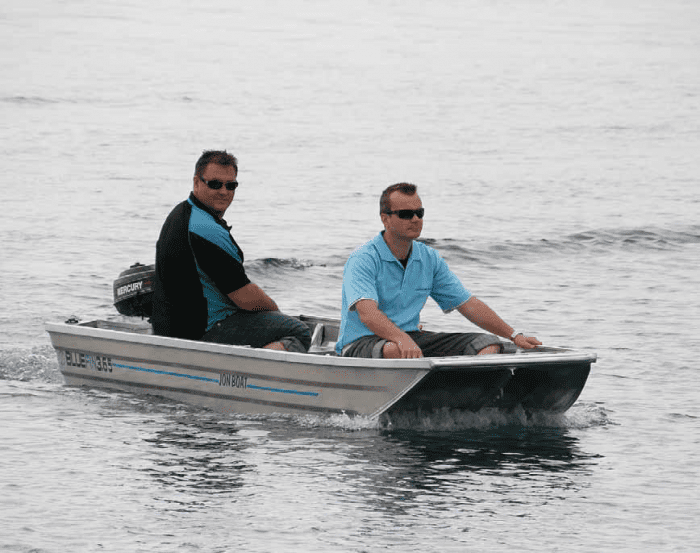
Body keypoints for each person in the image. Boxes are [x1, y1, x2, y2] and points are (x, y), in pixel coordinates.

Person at [336, 182, 541, 358]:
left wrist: (514, 336)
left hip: (410, 338)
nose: (415, 219)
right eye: (406, 214)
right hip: (361, 343)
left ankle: (469, 391)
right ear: (385, 218)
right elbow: (368, 315)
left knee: (488, 343)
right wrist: (402, 339)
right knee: (397, 349)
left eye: (419, 213)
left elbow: (467, 304)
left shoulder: (429, 258)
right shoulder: (363, 259)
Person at [151, 150, 311, 353]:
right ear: (196, 182)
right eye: (215, 184)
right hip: (200, 333)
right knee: (298, 331)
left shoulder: (181, 213)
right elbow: (244, 296)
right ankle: (250, 374)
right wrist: (276, 312)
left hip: (170, 329)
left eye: (231, 185)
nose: (224, 191)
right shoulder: (205, 228)